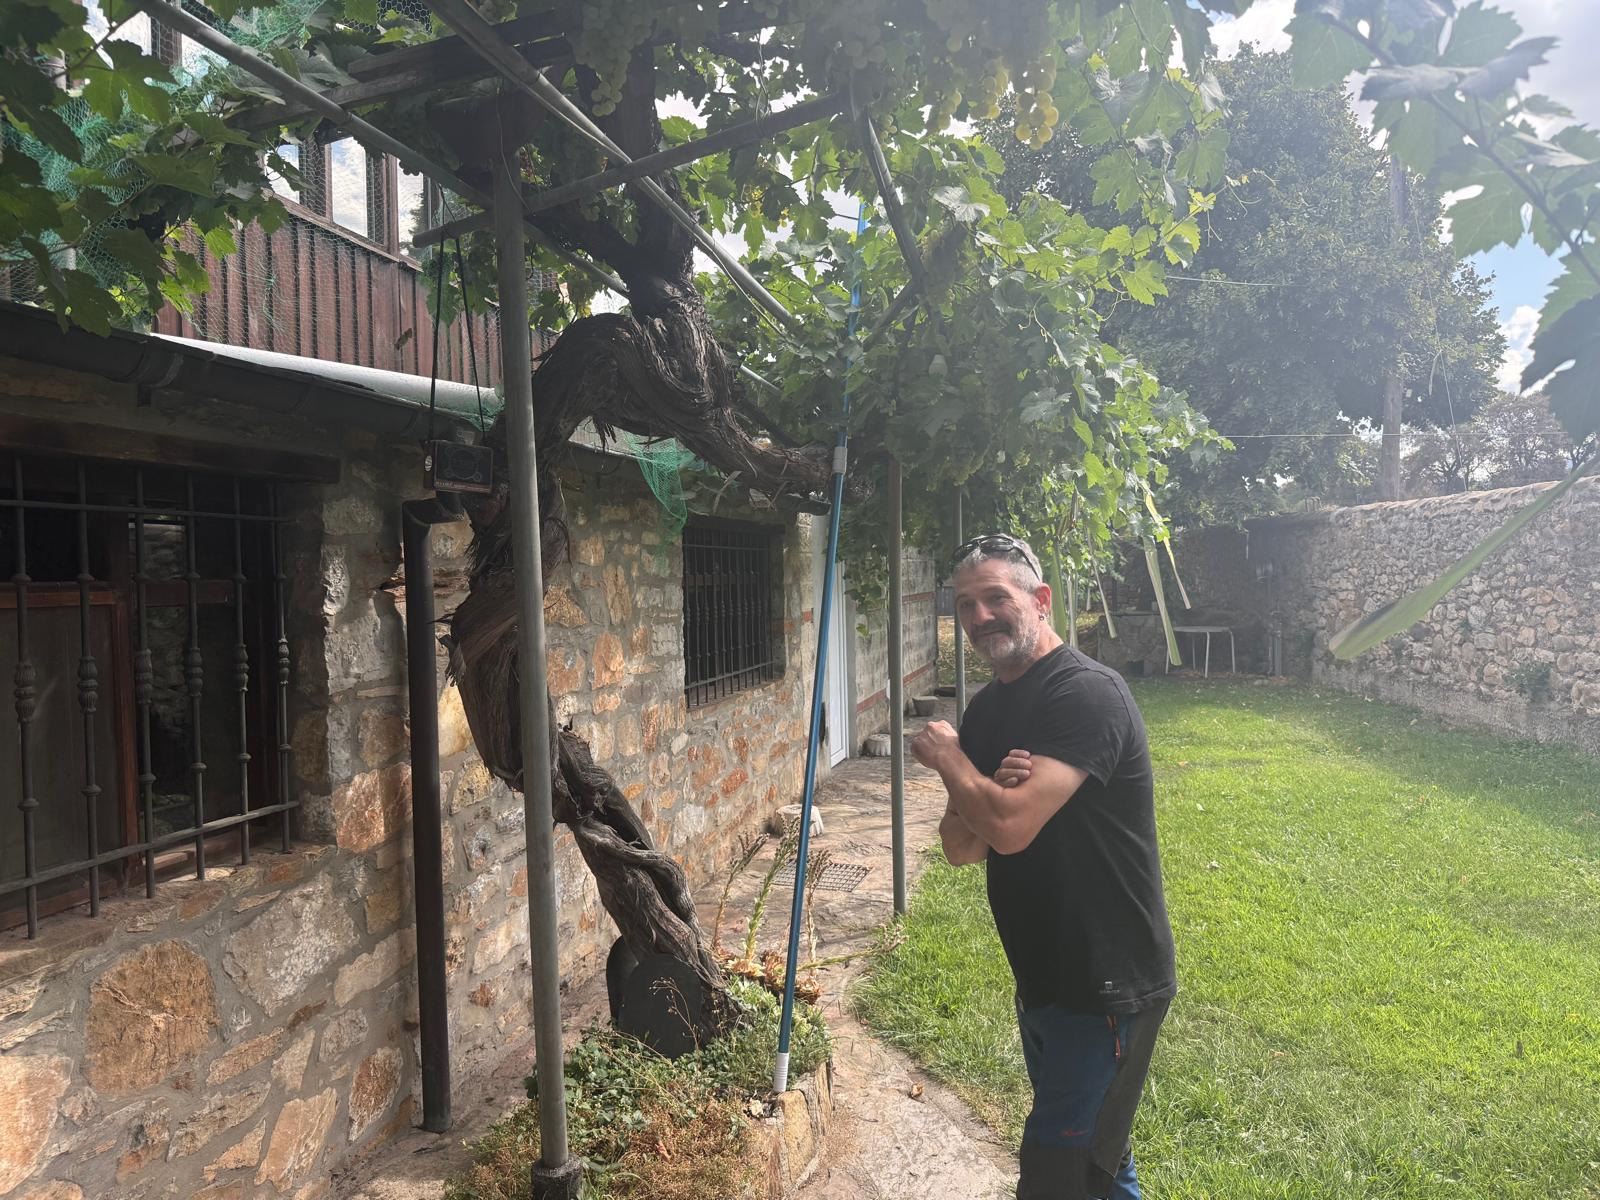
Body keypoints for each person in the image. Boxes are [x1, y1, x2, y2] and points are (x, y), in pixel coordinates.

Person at [909, 532, 1175, 1200]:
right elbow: (961, 845)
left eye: (995, 598)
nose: (979, 618)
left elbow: (1008, 826)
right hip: (1045, 979)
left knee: (1058, 1175)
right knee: (1100, 1163)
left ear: (1041, 600)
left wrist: (955, 765)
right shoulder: (990, 708)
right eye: (965, 605)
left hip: (1106, 982)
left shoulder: (1085, 695)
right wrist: (983, 782)